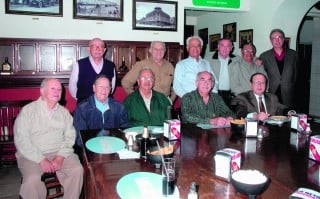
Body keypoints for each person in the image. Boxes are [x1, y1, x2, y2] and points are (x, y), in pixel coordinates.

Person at [14, 78, 83, 199]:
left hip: (59, 152)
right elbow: (21, 141)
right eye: (53, 89)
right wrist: (40, 159)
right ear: (42, 91)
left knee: (77, 170)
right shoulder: (28, 111)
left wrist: (60, 156)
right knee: (32, 180)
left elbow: (70, 137)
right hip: (32, 155)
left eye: (59, 89)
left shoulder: (64, 113)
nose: (57, 92)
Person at [73, 75, 130, 147]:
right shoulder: (82, 109)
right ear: (94, 88)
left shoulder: (119, 107)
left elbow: (124, 131)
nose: (104, 90)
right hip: (91, 148)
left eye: (107, 87)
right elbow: (80, 138)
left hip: (114, 146)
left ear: (110, 90)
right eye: (100, 86)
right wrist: (98, 144)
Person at [259, 29, 299, 108]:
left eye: (279, 37)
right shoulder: (264, 56)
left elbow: (296, 74)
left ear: (283, 39)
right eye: (274, 38)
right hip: (272, 92)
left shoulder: (294, 55)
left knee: (288, 115)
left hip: (289, 93)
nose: (277, 40)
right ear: (271, 40)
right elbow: (260, 71)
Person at [69, 37, 116, 103]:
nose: (97, 49)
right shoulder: (79, 64)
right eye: (94, 46)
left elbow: (112, 87)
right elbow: (72, 86)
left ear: (104, 50)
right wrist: (81, 100)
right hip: (84, 106)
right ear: (88, 49)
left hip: (104, 105)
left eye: (100, 46)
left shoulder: (110, 66)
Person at [209, 37, 240, 106]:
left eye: (228, 46)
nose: (225, 48)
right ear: (218, 47)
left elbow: (249, 57)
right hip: (214, 94)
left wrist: (257, 59)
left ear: (231, 48)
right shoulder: (209, 59)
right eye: (222, 45)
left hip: (230, 95)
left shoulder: (237, 59)